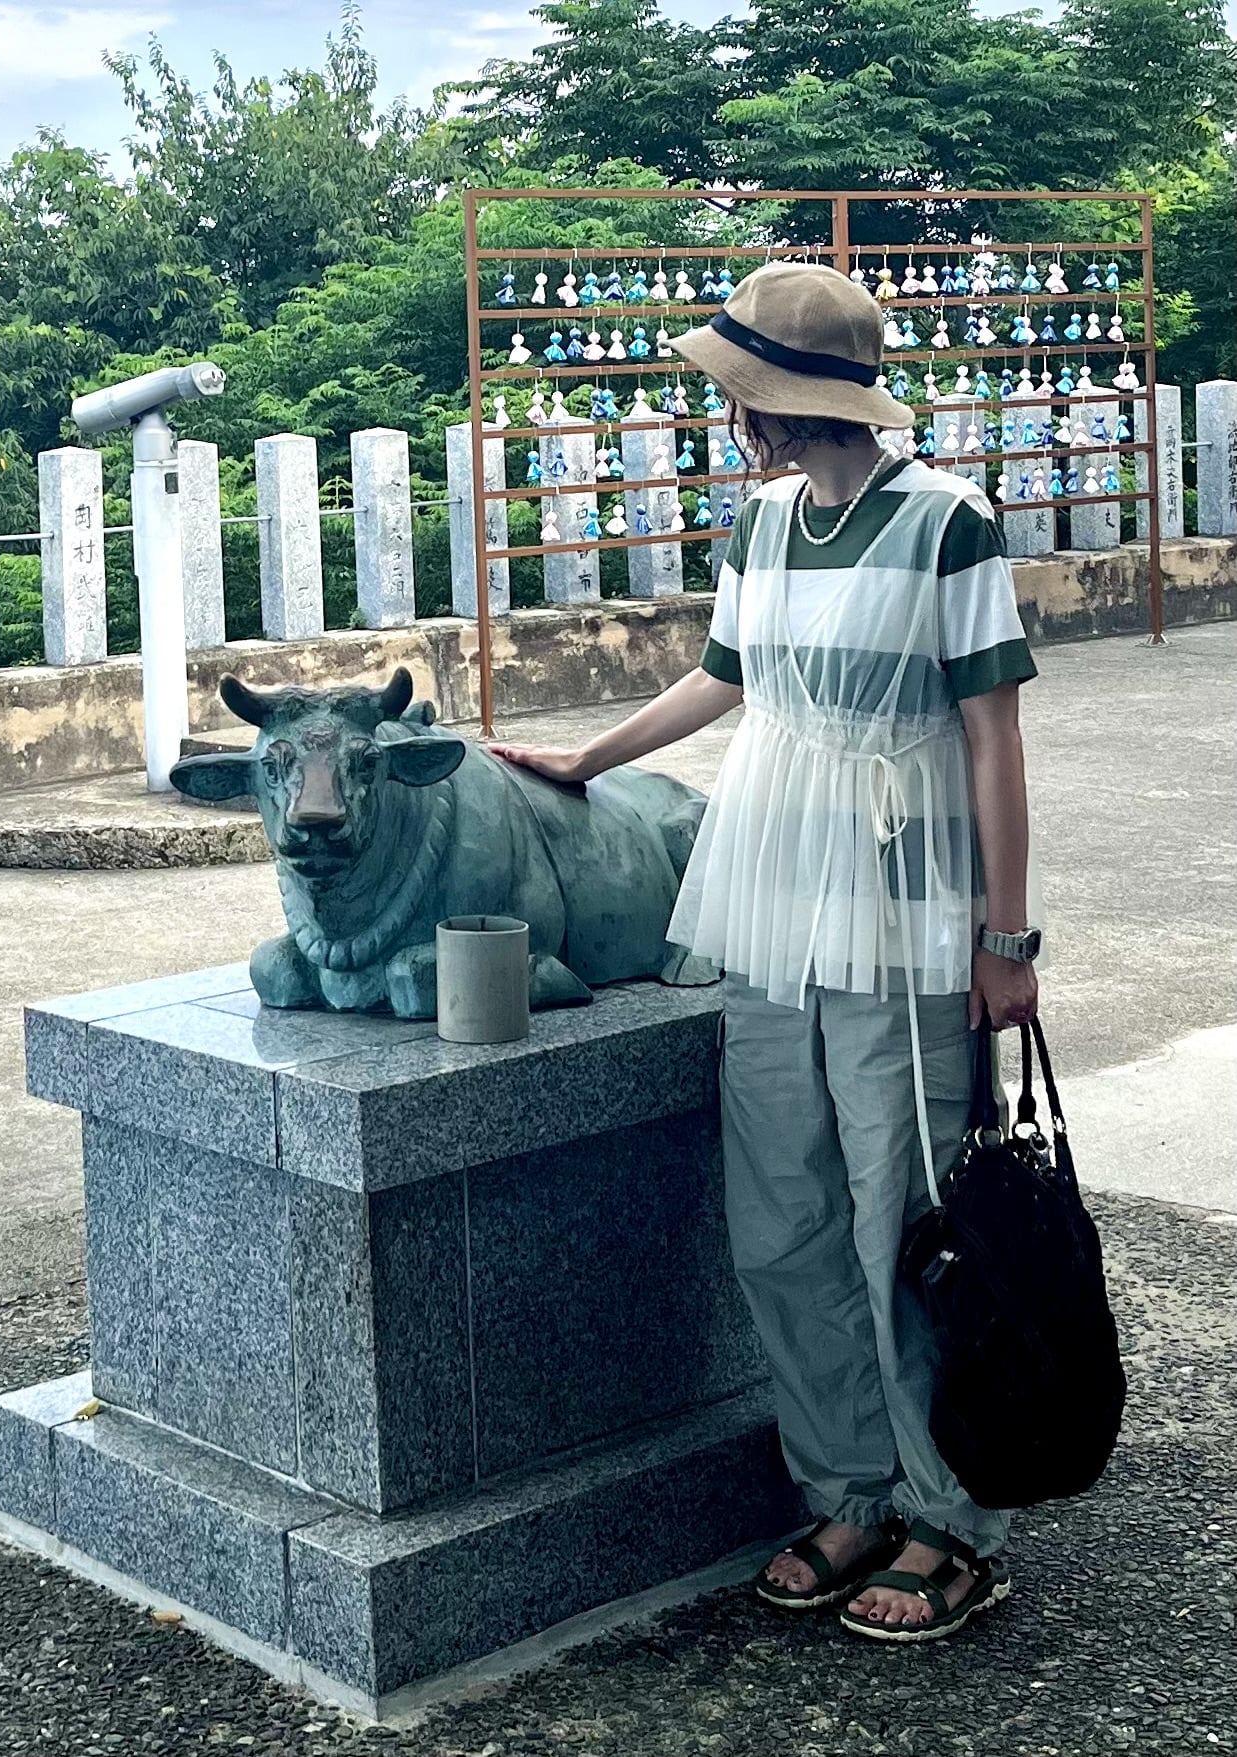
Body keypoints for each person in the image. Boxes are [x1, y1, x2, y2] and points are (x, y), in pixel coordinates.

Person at [492, 261, 1042, 1644]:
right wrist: (585, 758)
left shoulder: (948, 524)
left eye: (740, 395)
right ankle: (848, 1487)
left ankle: (950, 1517)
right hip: (773, 894)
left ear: (791, 404)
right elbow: (725, 677)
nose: (728, 415)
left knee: (902, 1217)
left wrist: (1005, 937)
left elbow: (992, 738)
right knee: (782, 1216)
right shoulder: (764, 521)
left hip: (903, 906)